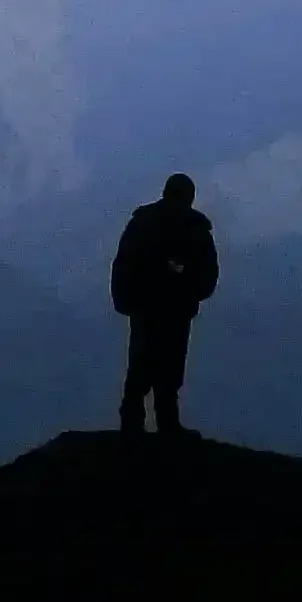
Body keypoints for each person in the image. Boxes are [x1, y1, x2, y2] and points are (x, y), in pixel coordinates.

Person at [108, 171, 222, 436]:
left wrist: (126, 299)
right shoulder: (191, 227)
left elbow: (124, 264)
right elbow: (207, 272)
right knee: (160, 366)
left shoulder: (147, 223)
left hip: (157, 308)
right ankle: (157, 422)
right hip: (161, 308)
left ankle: (142, 421)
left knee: (152, 365)